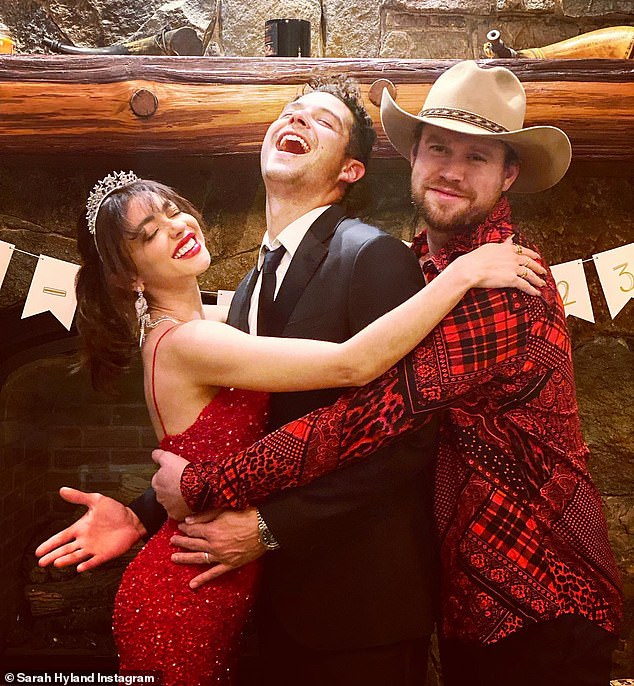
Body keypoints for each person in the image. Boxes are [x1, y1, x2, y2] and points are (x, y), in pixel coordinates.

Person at [36, 82, 544, 685]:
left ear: (351, 169)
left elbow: (407, 442)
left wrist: (266, 529)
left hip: (356, 608)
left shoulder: (373, 256)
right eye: (289, 110)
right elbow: (238, 435)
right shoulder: (247, 287)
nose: (298, 118)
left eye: (322, 122)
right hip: (263, 602)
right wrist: (146, 513)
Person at [152, 62, 623, 686]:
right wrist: (143, 509)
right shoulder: (417, 265)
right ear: (413, 157)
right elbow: (245, 414)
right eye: (438, 148)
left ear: (509, 174)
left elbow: (371, 418)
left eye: (476, 157)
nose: (451, 170)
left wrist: (212, 486)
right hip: (466, 597)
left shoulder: (506, 283)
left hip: (543, 589)